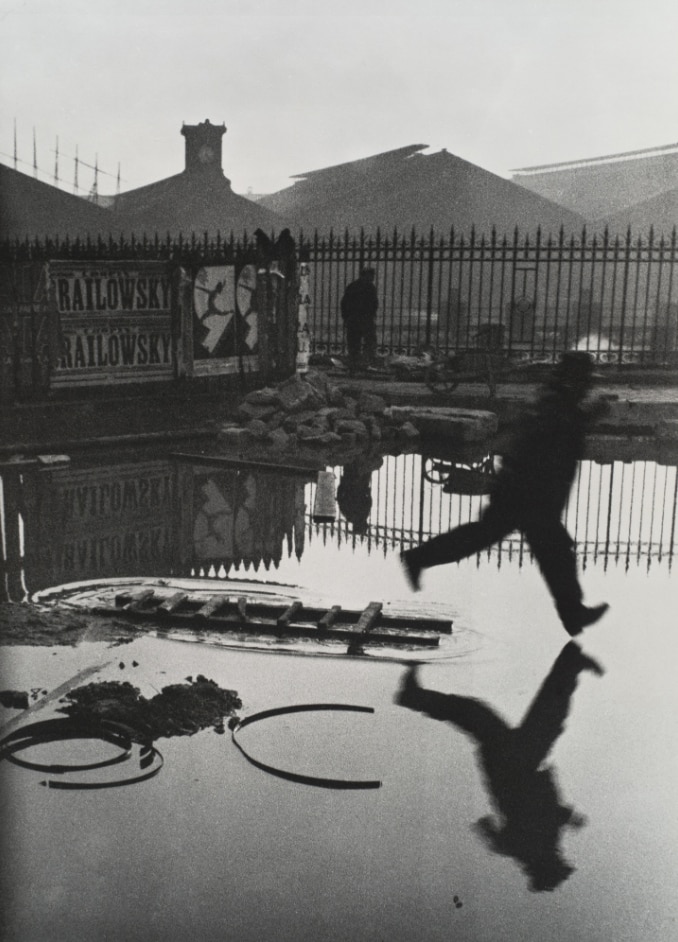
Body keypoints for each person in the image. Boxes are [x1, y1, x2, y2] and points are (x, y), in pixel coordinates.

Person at [400, 351, 609, 636]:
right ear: (576, 381)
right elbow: (551, 435)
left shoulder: (554, 397)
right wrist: (585, 415)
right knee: (553, 552)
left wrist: (583, 415)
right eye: (585, 381)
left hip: (525, 491)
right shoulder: (556, 403)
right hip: (527, 494)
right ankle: (573, 614)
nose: (588, 386)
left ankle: (573, 614)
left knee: (506, 541)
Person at [396, 642, 603, 892]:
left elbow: (514, 829)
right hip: (518, 765)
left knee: (528, 716)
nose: (562, 857)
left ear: (548, 865)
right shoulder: (538, 845)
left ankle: (572, 662)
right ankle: (571, 663)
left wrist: (568, 819)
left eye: (560, 863)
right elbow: (543, 817)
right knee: (537, 716)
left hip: (511, 767)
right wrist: (569, 818)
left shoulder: (529, 848)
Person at [340, 268, 379, 371]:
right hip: (365, 319)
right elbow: (374, 304)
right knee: (369, 342)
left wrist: (346, 317)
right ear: (365, 276)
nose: (373, 278)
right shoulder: (370, 288)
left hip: (353, 319)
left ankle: (354, 364)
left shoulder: (352, 286)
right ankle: (365, 363)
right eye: (371, 276)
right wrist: (372, 315)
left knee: (354, 343)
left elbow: (344, 303)